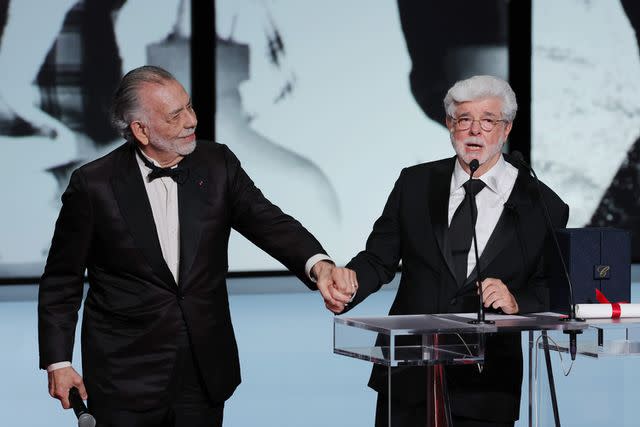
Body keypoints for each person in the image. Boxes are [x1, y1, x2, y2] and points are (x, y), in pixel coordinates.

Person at [38, 65, 353, 427]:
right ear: (140, 129)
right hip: (124, 375)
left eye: (189, 107)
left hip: (203, 370)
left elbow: (268, 221)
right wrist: (58, 361)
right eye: (176, 115)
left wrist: (319, 265)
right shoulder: (93, 184)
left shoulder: (217, 163)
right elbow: (62, 278)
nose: (191, 120)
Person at [331, 75, 569, 426]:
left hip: (487, 389)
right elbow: (378, 259)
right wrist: (347, 283)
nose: (475, 131)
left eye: (488, 120)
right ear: (449, 125)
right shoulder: (414, 184)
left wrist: (517, 301)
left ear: (506, 129)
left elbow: (555, 287)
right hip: (408, 379)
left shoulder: (542, 204)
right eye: (464, 119)